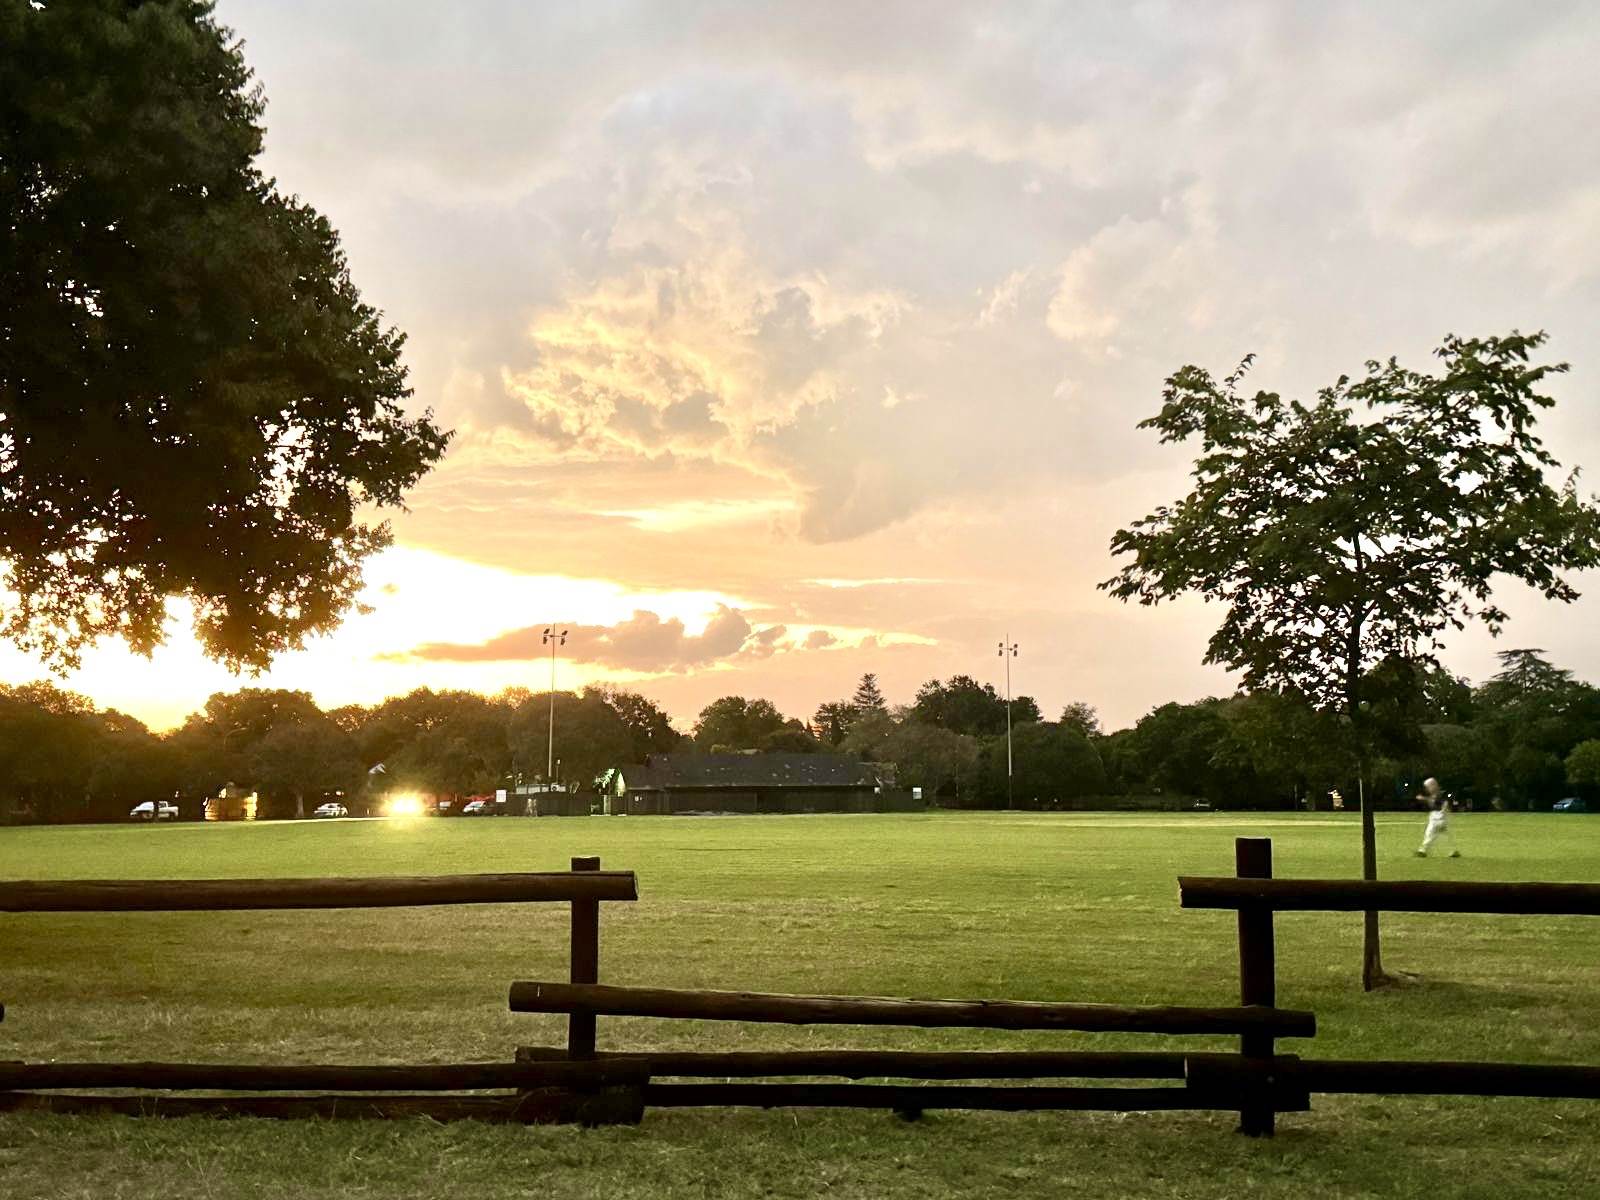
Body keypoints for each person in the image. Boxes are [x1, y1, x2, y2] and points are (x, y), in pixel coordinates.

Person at [1414, 777, 1461, 858]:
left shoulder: (1440, 794)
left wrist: (1423, 798)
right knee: (1445, 835)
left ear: (1433, 785)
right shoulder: (1437, 794)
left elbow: (1440, 802)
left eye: (1428, 787)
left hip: (1437, 818)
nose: (1427, 789)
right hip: (1440, 818)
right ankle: (1453, 850)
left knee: (1430, 834)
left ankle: (1423, 850)